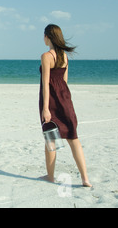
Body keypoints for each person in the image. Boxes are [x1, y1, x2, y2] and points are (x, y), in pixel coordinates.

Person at [39, 24, 92, 188]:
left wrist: (46, 108)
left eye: (44, 35)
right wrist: (64, 99)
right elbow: (64, 81)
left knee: (50, 140)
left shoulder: (46, 56)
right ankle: (85, 179)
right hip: (65, 99)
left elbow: (46, 83)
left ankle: (50, 176)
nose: (43, 38)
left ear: (48, 36)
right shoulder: (64, 57)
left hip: (52, 101)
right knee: (73, 138)